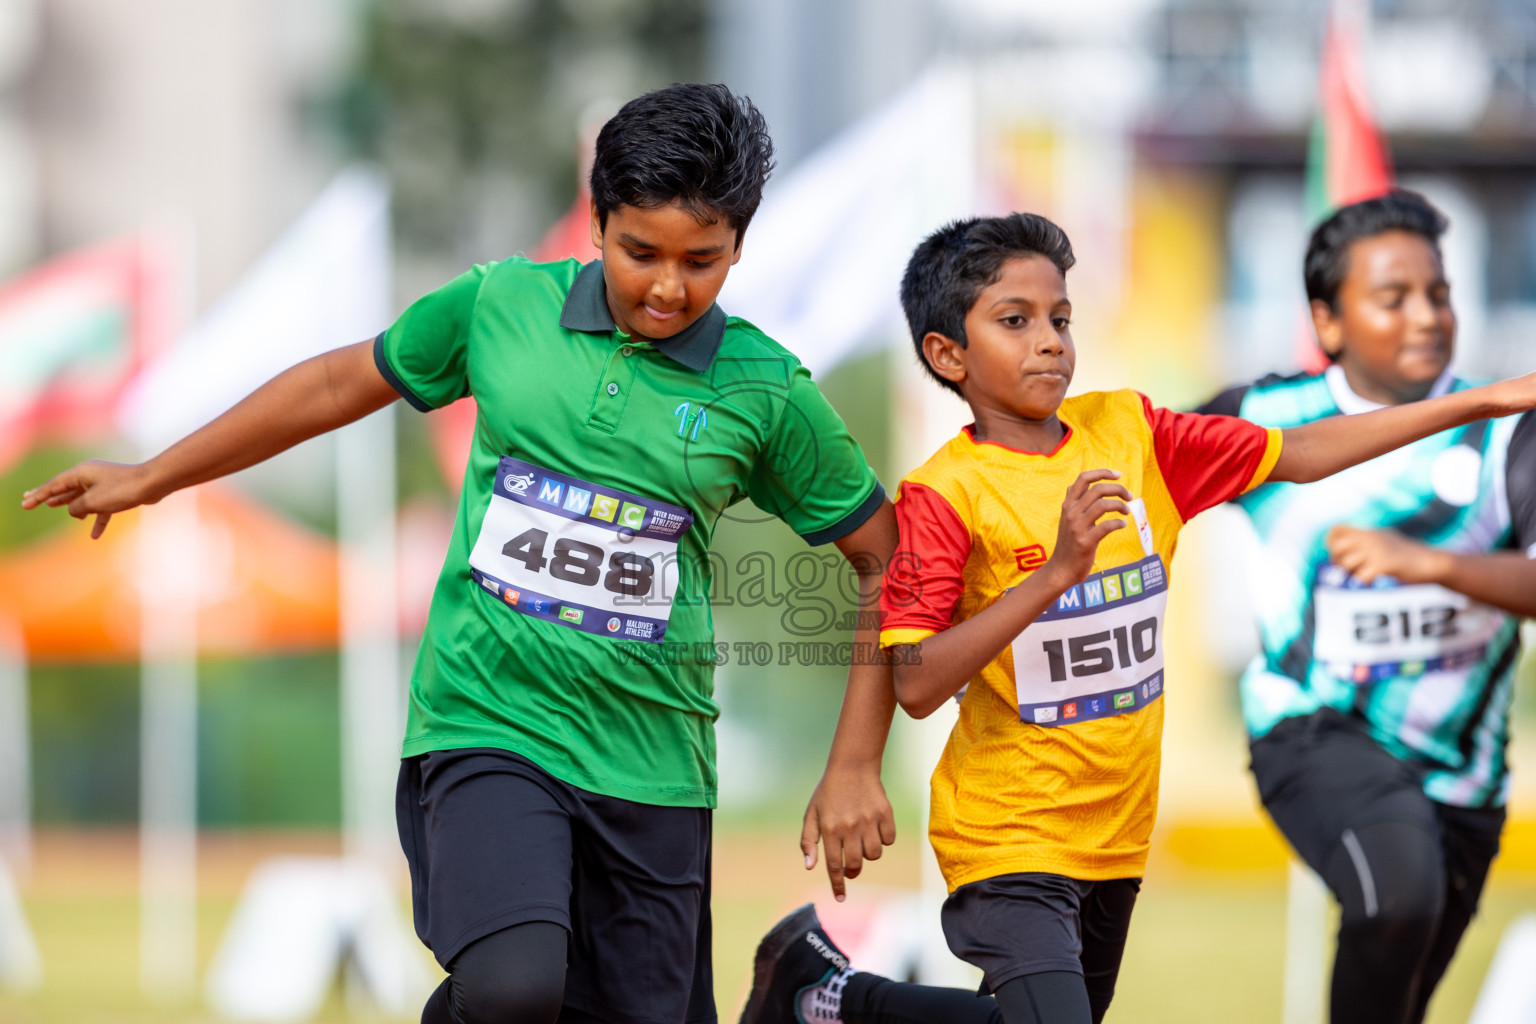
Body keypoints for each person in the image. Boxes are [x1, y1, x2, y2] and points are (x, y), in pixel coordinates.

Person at [23, 83, 904, 1024]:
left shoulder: (764, 388)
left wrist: (854, 761)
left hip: (654, 764)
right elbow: (331, 385)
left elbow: (887, 556)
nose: (665, 286)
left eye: (703, 261)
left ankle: (793, 997)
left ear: (739, 246)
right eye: (638, 251)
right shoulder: (499, 307)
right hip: (487, 722)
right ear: (596, 221)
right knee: (515, 989)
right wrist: (156, 474)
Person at [741, 211, 1536, 1024]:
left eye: (1060, 317)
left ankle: (820, 995)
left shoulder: (1133, 432)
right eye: (1015, 322)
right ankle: (834, 998)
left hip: (1116, 835)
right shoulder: (944, 495)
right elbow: (914, 683)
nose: (1050, 340)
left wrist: (1483, 401)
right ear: (948, 355)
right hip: (1008, 834)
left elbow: (1302, 451)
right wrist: (1055, 574)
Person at [1194, 189, 1536, 1024]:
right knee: (1396, 898)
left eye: (1439, 294)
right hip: (1313, 731)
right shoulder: (1264, 419)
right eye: (1394, 297)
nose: (1425, 316)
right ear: (1329, 320)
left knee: (1399, 991)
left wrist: (1426, 563)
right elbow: (1141, 480)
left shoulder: (1508, 430)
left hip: (1462, 772)